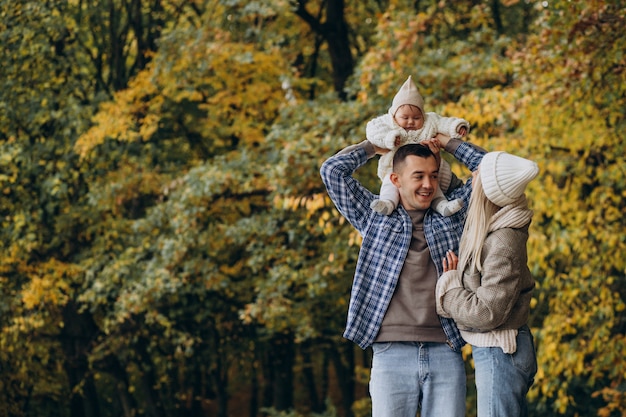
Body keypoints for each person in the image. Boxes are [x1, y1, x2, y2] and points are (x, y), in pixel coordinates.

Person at [319, 133, 486, 417]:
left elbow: (490, 170)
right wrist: (373, 145)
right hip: (390, 353)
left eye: (434, 176)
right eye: (418, 176)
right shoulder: (376, 216)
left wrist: (448, 143)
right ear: (395, 180)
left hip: (446, 348)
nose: (427, 185)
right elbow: (331, 171)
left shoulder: (452, 214)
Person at [436, 151, 539, 416]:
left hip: (501, 352)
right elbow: (463, 184)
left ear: (489, 189)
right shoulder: (498, 221)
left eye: (478, 174)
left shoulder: (503, 240)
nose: (473, 174)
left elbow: (487, 311)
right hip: (500, 350)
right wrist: (442, 146)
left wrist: (449, 291)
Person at [366, 75, 470, 216]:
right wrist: (388, 138)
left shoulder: (430, 121)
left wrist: (457, 127)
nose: (410, 122)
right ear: (394, 115)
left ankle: (442, 206)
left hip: (427, 164)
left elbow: (444, 123)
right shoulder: (387, 122)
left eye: (416, 118)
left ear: (423, 115)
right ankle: (387, 203)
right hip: (394, 165)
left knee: (432, 182)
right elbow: (372, 129)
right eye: (405, 118)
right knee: (389, 185)